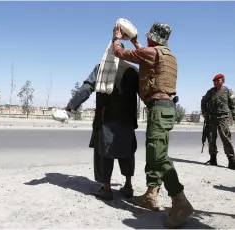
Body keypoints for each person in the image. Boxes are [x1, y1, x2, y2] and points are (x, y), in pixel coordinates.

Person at [111, 22, 193, 228]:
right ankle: (151, 194)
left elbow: (120, 53)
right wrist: (137, 41)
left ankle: (179, 200)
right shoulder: (167, 54)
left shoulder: (152, 52)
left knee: (158, 155)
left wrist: (117, 38)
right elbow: (146, 54)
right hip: (164, 109)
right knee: (154, 151)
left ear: (153, 37)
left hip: (159, 108)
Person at [65, 57, 139, 201]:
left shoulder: (102, 68)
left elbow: (86, 88)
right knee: (127, 153)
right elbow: (145, 92)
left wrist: (71, 106)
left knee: (104, 153)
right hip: (127, 120)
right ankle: (128, 187)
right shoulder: (133, 70)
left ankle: (106, 189)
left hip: (106, 120)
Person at [201, 74, 235, 170]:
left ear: (222, 81)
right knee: (211, 139)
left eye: (217, 80)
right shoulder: (210, 92)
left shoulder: (228, 91)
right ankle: (213, 160)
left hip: (224, 118)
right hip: (211, 119)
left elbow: (233, 105)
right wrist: (204, 112)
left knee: (226, 139)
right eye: (214, 81)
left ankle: (232, 161)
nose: (215, 82)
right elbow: (203, 101)